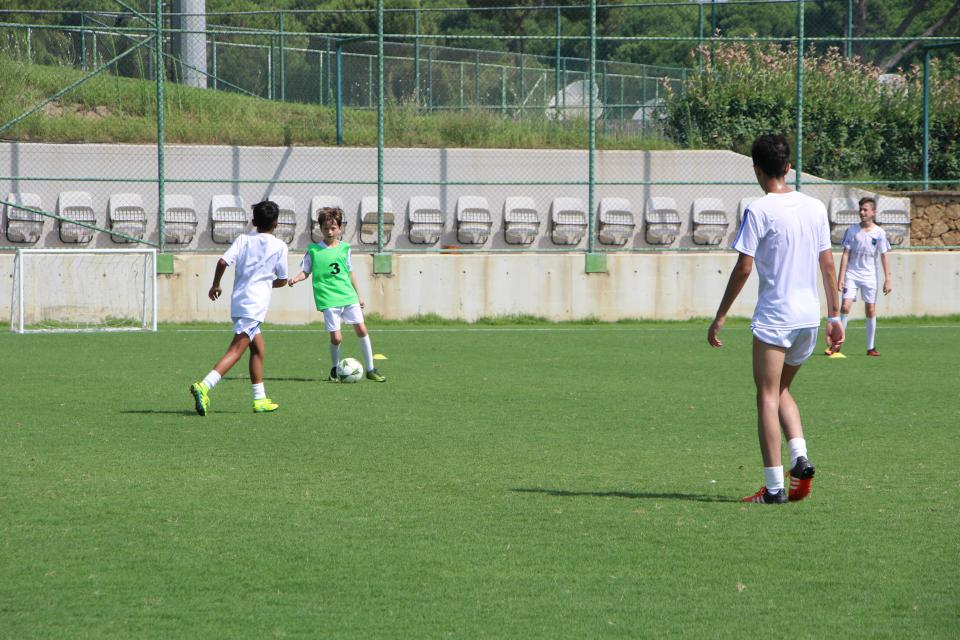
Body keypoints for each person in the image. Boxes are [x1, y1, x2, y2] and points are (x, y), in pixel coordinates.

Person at [707, 134, 844, 504]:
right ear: (788, 167)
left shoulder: (759, 209)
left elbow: (743, 267)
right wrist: (836, 317)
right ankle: (799, 456)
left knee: (766, 396)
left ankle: (773, 488)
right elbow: (828, 265)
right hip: (808, 320)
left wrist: (720, 316)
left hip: (775, 319)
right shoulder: (814, 207)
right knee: (782, 389)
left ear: (756, 169)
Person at [190, 200, 289, 415]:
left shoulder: (243, 239)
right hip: (255, 306)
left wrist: (216, 284)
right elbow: (282, 279)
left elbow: (222, 262)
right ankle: (204, 386)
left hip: (239, 302)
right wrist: (268, 283)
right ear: (276, 223)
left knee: (258, 349)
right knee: (236, 351)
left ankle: (259, 399)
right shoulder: (280, 246)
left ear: (253, 221)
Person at [287, 206, 386, 383]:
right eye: (326, 228)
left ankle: (371, 369)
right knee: (336, 337)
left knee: (362, 329)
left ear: (339, 229)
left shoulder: (345, 248)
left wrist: (359, 295)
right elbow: (306, 272)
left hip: (347, 295)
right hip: (328, 298)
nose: (329, 231)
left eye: (333, 228)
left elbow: (350, 272)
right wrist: (296, 278)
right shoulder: (313, 250)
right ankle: (334, 368)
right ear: (321, 229)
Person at [825, 196, 891, 357]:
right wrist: (841, 278)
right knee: (845, 306)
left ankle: (870, 347)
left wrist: (887, 279)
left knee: (870, 309)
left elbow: (883, 256)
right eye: (860, 209)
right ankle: (836, 345)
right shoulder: (852, 231)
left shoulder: (879, 233)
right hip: (852, 275)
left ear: (873, 212)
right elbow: (846, 254)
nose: (862, 212)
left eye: (865, 210)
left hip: (870, 276)